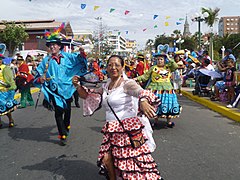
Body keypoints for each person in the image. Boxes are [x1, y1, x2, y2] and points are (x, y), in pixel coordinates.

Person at [72, 55, 162, 180]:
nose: (113, 68)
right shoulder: (105, 85)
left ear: (122, 67)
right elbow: (86, 96)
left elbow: (141, 92)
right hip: (112, 130)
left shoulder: (127, 84)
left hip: (127, 130)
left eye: (117, 65)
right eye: (110, 65)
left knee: (130, 163)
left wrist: (143, 101)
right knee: (107, 159)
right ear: (106, 68)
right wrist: (77, 85)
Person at [33, 25, 88, 146]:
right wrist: (41, 79)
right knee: (58, 111)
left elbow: (80, 61)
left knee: (67, 110)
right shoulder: (46, 61)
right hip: (54, 90)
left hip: (68, 89)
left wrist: (82, 52)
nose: (52, 47)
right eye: (50, 45)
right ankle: (62, 133)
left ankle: (66, 125)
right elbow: (37, 74)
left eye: (55, 45)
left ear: (59, 46)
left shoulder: (68, 57)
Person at [135, 44, 181, 128]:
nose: (160, 61)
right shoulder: (153, 68)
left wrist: (169, 58)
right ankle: (155, 120)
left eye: (161, 59)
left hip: (167, 89)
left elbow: (175, 66)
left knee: (168, 104)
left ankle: (169, 121)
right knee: (155, 105)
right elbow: (145, 76)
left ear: (165, 60)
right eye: (158, 59)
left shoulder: (168, 67)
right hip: (154, 89)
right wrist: (136, 79)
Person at [0, 54, 19, 128]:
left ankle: (10, 119)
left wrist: (11, 87)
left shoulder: (5, 68)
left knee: (6, 107)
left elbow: (10, 79)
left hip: (4, 91)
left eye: (0, 59)